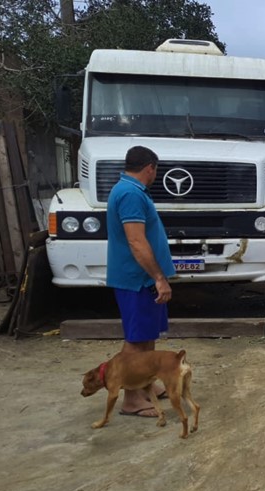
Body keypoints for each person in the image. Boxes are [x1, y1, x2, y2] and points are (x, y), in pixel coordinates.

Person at [106, 145, 176, 418]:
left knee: (147, 335)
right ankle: (131, 398)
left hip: (142, 280)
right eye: (156, 170)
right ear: (150, 168)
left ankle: (145, 384)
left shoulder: (130, 191)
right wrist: (158, 277)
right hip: (138, 280)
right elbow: (136, 241)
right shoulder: (130, 194)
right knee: (135, 341)